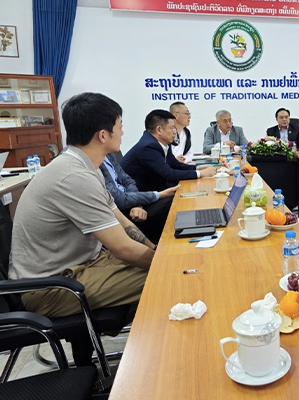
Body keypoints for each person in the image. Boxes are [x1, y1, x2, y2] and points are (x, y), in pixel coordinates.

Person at [9, 92, 153, 321]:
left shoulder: (86, 167)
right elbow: (124, 249)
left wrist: (154, 249)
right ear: (103, 135)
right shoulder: (74, 176)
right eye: (120, 126)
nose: (123, 132)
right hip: (50, 288)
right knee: (169, 276)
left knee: (163, 269)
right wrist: (168, 263)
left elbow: (120, 219)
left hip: (82, 266)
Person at [121, 109, 216, 192]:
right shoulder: (148, 147)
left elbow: (174, 164)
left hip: (158, 189)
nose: (175, 132)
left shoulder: (163, 142)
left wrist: (197, 168)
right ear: (159, 130)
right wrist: (201, 173)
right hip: (141, 198)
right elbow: (169, 174)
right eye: (172, 128)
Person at [100, 152, 180, 244]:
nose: (120, 143)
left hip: (133, 203)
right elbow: (119, 199)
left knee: (173, 200)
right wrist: (161, 194)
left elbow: (128, 181)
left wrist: (136, 205)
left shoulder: (109, 155)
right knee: (171, 203)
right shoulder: (94, 163)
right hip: (120, 213)